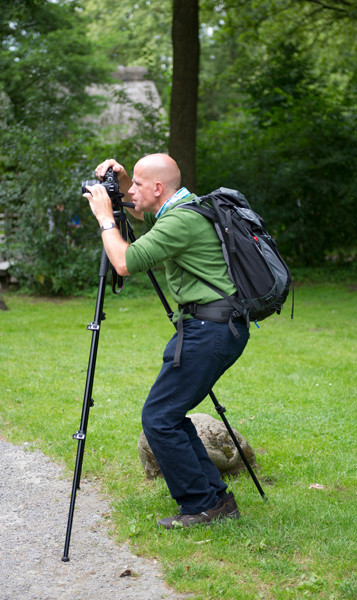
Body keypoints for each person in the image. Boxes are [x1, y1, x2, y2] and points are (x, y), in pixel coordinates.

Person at [83, 153, 249, 529]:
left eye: (139, 185)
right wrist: (125, 182)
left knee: (158, 419)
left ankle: (201, 506)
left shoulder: (180, 221)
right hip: (214, 327)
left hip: (210, 330)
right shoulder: (184, 208)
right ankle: (215, 499)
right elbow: (141, 212)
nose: (132, 193)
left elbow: (124, 262)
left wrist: (105, 216)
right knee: (169, 415)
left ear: (159, 188)